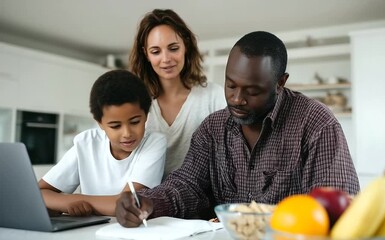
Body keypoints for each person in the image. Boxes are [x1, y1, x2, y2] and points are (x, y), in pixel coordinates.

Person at [115, 31, 360, 227]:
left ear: (280, 83)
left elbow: (338, 205)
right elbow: (188, 185)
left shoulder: (316, 124)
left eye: (252, 91)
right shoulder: (213, 128)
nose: (236, 99)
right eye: (230, 86)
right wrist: (148, 203)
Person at [38, 70, 167, 217]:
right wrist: (69, 204)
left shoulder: (155, 143)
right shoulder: (86, 143)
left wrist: (71, 201)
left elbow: (127, 204)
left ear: (146, 116)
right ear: (100, 123)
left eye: (135, 122)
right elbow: (38, 193)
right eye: (115, 126)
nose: (127, 133)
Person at [129, 9, 226, 178]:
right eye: (156, 51)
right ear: (146, 54)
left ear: (186, 45)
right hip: (149, 199)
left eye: (173, 48)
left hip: (204, 200)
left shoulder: (214, 97)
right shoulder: (135, 103)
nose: (166, 59)